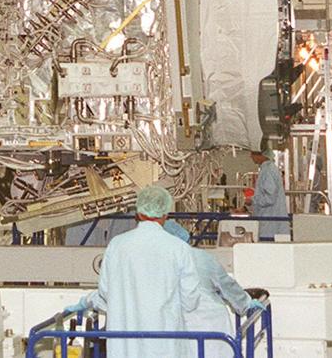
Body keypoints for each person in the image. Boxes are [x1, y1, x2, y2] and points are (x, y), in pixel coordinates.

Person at [65, 185, 201, 358]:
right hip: (165, 344)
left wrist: (89, 302)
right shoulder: (179, 248)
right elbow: (190, 300)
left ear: (138, 212)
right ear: (165, 214)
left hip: (123, 344)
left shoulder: (117, 245)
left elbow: (105, 292)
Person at [164, 220, 264, 358]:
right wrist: (245, 303)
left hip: (177, 327)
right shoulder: (201, 257)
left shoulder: (158, 262)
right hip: (209, 322)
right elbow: (226, 284)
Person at [249, 148, 289, 241]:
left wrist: (252, 200)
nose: (250, 156)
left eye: (253, 154)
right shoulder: (268, 169)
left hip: (270, 225)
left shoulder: (268, 171)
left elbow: (270, 198)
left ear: (261, 155)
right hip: (271, 222)